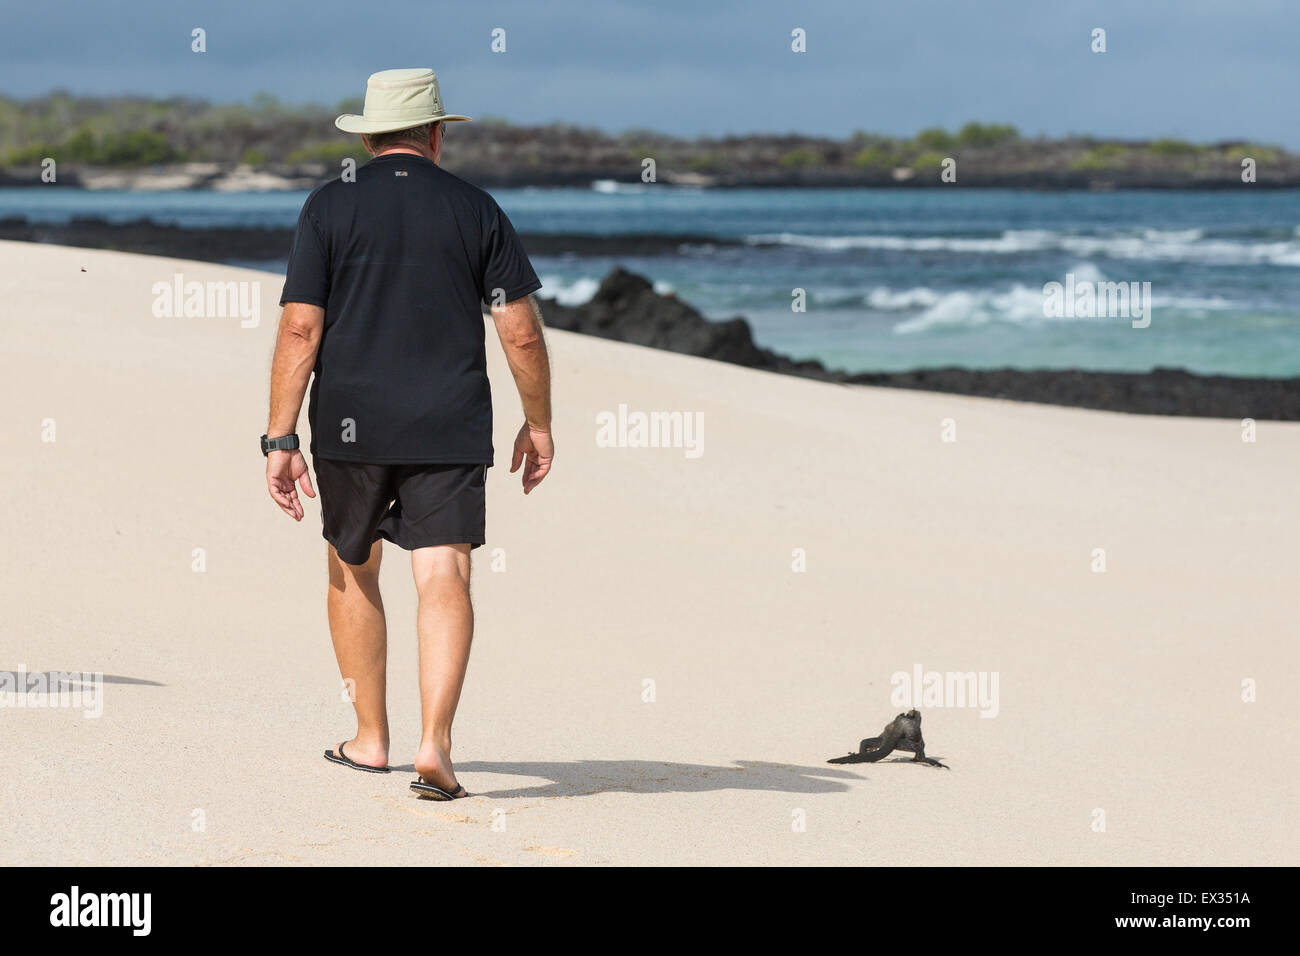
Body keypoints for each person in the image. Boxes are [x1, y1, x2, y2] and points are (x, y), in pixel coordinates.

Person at [262, 68, 553, 800]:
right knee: (442, 572)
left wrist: (279, 436)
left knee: (352, 564)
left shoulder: (329, 206)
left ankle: (369, 740)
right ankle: (436, 744)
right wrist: (540, 423)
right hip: (448, 423)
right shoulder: (475, 208)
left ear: (365, 136)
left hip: (349, 425)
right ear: (437, 133)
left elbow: (301, 324)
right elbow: (518, 332)